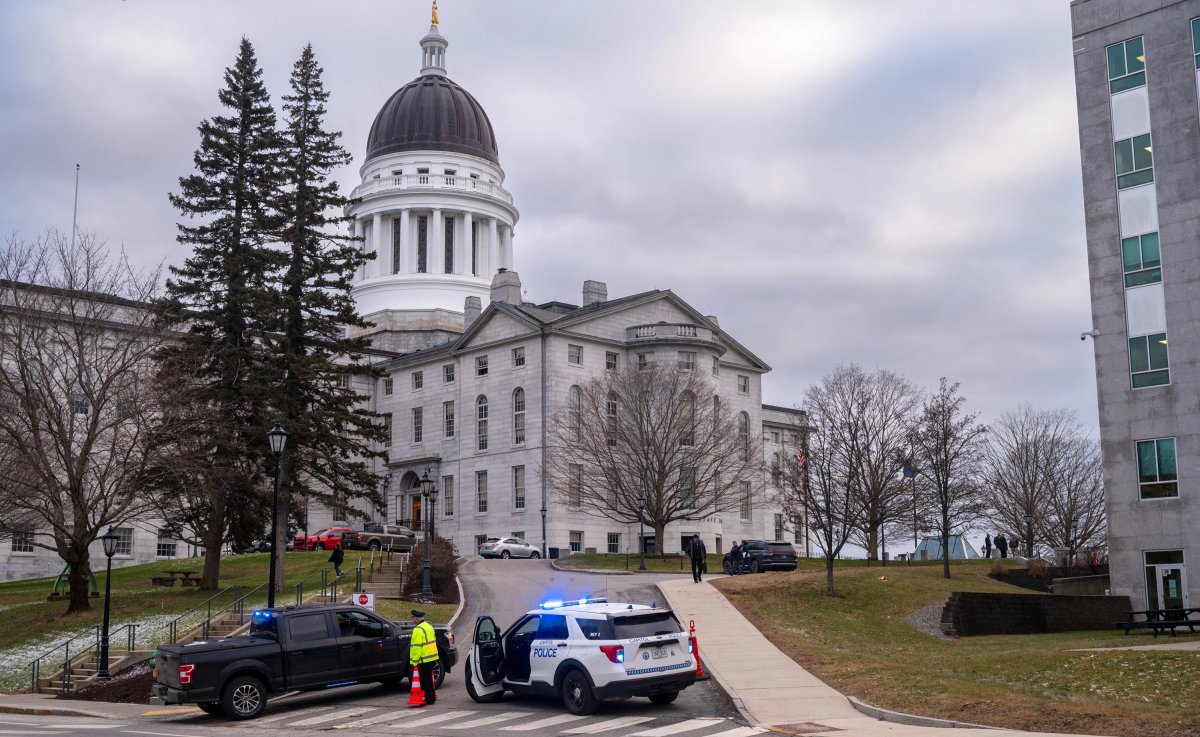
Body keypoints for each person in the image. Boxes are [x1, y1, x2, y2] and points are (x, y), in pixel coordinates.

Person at [410, 609, 439, 705]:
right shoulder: (429, 626)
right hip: (431, 656)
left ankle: (429, 699)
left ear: (417, 618)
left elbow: (416, 647)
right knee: (429, 679)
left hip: (424, 658)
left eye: (413, 618)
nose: (412, 620)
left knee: (426, 680)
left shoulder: (418, 629)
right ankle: (431, 696)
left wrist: (414, 660)